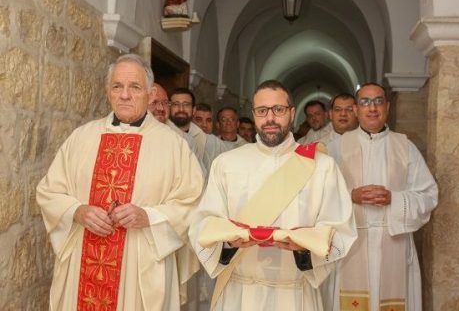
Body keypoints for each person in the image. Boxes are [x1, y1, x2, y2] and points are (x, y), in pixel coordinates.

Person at [36, 54, 204, 310]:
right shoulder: (81, 138)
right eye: (117, 86)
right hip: (83, 259)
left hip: (141, 266)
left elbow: (194, 204)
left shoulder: (173, 146)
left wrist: (148, 217)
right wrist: (77, 211)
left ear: (149, 95)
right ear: (108, 92)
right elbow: (49, 192)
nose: (125, 95)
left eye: (134, 87)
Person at [189, 79, 357, 311]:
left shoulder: (322, 166)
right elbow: (203, 223)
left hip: (296, 295)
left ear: (292, 113)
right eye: (262, 111)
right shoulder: (227, 163)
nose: (270, 118)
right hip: (239, 294)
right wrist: (228, 242)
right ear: (254, 114)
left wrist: (304, 248)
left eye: (278, 110)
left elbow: (341, 229)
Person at [327, 82, 438, 311]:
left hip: (393, 243)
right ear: (356, 109)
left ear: (387, 107)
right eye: (365, 102)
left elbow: (428, 195)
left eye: (378, 101)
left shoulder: (405, 146)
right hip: (352, 244)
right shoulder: (336, 148)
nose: (372, 107)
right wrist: (351, 196)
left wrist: (394, 200)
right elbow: (321, 196)